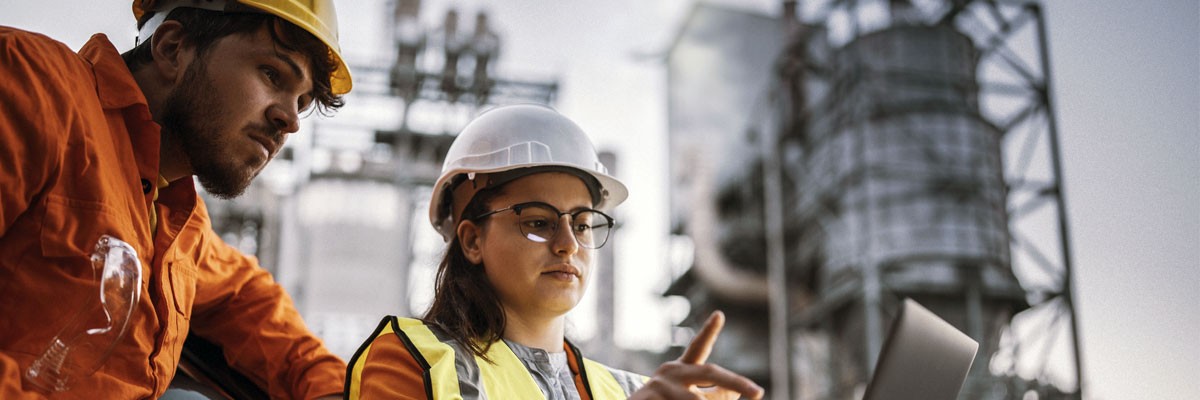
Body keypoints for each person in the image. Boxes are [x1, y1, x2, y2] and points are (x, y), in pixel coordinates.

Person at [0, 0, 352, 398]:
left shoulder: (178, 219)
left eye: (302, 103)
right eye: (272, 74)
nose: (290, 121)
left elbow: (250, 303)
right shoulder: (31, 83)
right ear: (172, 48)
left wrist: (333, 390)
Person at [345, 104, 765, 399]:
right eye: (538, 222)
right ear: (472, 241)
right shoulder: (413, 361)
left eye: (582, 224)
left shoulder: (624, 391)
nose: (568, 244)